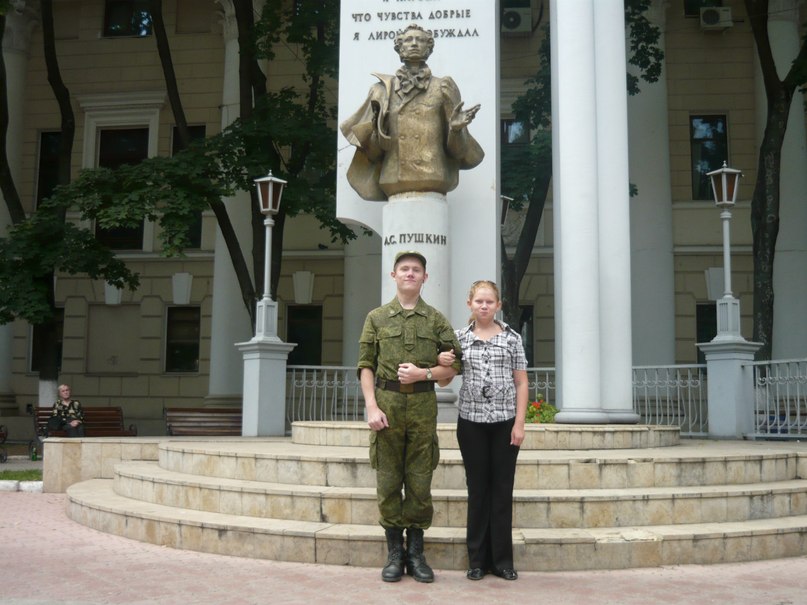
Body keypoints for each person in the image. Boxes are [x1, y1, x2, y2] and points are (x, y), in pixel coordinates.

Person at [357, 250, 462, 583]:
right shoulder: (376, 318)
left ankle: (416, 553)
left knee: (419, 482)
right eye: (404, 269)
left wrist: (423, 374)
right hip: (386, 407)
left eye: (416, 270)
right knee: (388, 481)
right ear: (394, 275)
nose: (410, 274)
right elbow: (365, 366)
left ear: (425, 277)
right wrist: (372, 407)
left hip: (421, 408)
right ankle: (394, 553)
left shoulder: (436, 320)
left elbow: (452, 367)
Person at [437, 280, 528, 581]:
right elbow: (445, 381)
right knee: (478, 490)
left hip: (504, 423)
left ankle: (502, 561)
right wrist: (442, 362)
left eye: (490, 302)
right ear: (470, 304)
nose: (485, 306)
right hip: (471, 423)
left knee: (502, 490)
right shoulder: (459, 339)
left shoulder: (512, 339)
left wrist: (519, 423)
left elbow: (521, 382)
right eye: (479, 302)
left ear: (498, 305)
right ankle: (476, 560)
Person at [340, 23, 484, 201]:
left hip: (434, 174)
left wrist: (456, 129)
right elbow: (373, 155)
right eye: (408, 40)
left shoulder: (444, 87)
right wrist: (378, 133)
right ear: (399, 48)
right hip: (393, 178)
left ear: (429, 48)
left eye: (420, 40)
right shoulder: (380, 91)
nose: (414, 43)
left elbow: (458, 152)